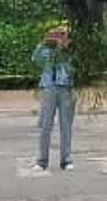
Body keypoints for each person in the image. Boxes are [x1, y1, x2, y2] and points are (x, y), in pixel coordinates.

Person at [32, 22, 76, 172]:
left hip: (66, 87)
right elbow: (37, 60)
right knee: (45, 125)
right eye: (57, 33)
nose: (59, 36)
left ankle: (66, 159)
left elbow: (74, 66)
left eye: (62, 33)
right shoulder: (44, 48)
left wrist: (64, 46)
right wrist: (45, 41)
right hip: (49, 86)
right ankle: (41, 161)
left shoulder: (71, 49)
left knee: (66, 126)